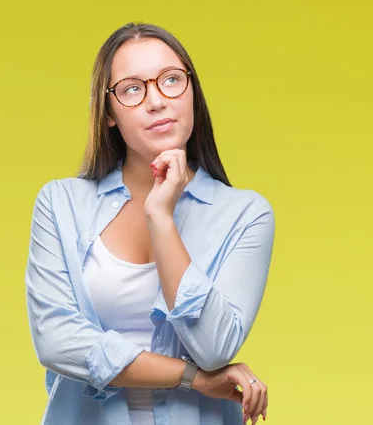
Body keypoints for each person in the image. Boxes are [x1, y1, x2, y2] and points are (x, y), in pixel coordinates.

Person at [24, 22, 275, 425]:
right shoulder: (61, 203)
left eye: (171, 80)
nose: (156, 101)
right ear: (108, 113)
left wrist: (160, 217)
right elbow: (56, 340)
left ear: (192, 92)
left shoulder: (246, 214)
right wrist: (191, 378)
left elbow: (215, 348)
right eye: (132, 89)